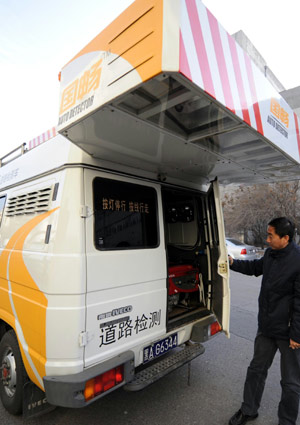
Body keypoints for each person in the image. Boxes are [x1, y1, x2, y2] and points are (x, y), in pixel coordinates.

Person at [228, 217, 300, 425]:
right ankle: (249, 410)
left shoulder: (297, 260)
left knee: (290, 382)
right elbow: (254, 268)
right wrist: (232, 264)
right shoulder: (270, 254)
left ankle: (286, 421)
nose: (267, 240)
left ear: (285, 238)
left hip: (288, 333)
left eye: (271, 235)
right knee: (256, 370)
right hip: (267, 327)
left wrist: (296, 334)